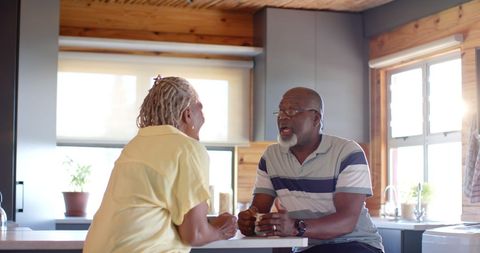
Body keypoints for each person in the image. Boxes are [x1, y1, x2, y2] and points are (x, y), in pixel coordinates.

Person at [84, 76, 238, 253]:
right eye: (199, 107)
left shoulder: (136, 144)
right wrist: (221, 229)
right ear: (187, 114)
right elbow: (194, 234)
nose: (203, 115)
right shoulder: (187, 148)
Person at [238, 87, 384, 253]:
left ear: (315, 118)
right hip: (308, 248)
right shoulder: (271, 157)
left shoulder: (347, 152)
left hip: (355, 244)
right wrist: (249, 220)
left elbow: (346, 221)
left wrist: (295, 227)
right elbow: (259, 210)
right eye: (280, 110)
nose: (283, 116)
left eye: (292, 110)